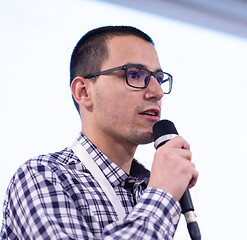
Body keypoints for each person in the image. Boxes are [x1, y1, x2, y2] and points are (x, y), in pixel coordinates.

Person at [1, 26, 198, 239]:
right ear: (83, 92)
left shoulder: (148, 189)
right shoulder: (43, 176)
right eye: (135, 74)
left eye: (158, 78)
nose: (157, 92)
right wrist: (162, 195)